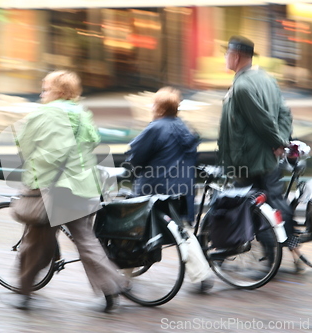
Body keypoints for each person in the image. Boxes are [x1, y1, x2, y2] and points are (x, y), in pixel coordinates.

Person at [14, 70, 128, 312]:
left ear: (60, 92)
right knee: (87, 241)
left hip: (56, 189)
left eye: (46, 89)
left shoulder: (44, 113)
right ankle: (112, 287)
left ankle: (23, 292)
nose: (41, 93)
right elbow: (94, 141)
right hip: (85, 187)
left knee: (34, 241)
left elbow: (23, 141)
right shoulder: (83, 114)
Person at [217, 36, 304, 273]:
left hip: (248, 160)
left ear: (235, 56)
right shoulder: (266, 78)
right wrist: (281, 143)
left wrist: (277, 142)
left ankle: (232, 254)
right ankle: (293, 250)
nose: (225, 58)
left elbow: (262, 121)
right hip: (267, 159)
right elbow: (285, 114)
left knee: (242, 205)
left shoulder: (243, 86)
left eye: (226, 54)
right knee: (274, 202)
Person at [126, 87, 214, 291]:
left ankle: (121, 277)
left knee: (135, 229)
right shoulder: (183, 127)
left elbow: (136, 155)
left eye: (154, 104)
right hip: (180, 190)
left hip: (155, 188)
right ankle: (203, 274)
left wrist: (130, 169)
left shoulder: (155, 128)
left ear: (158, 107)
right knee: (181, 232)